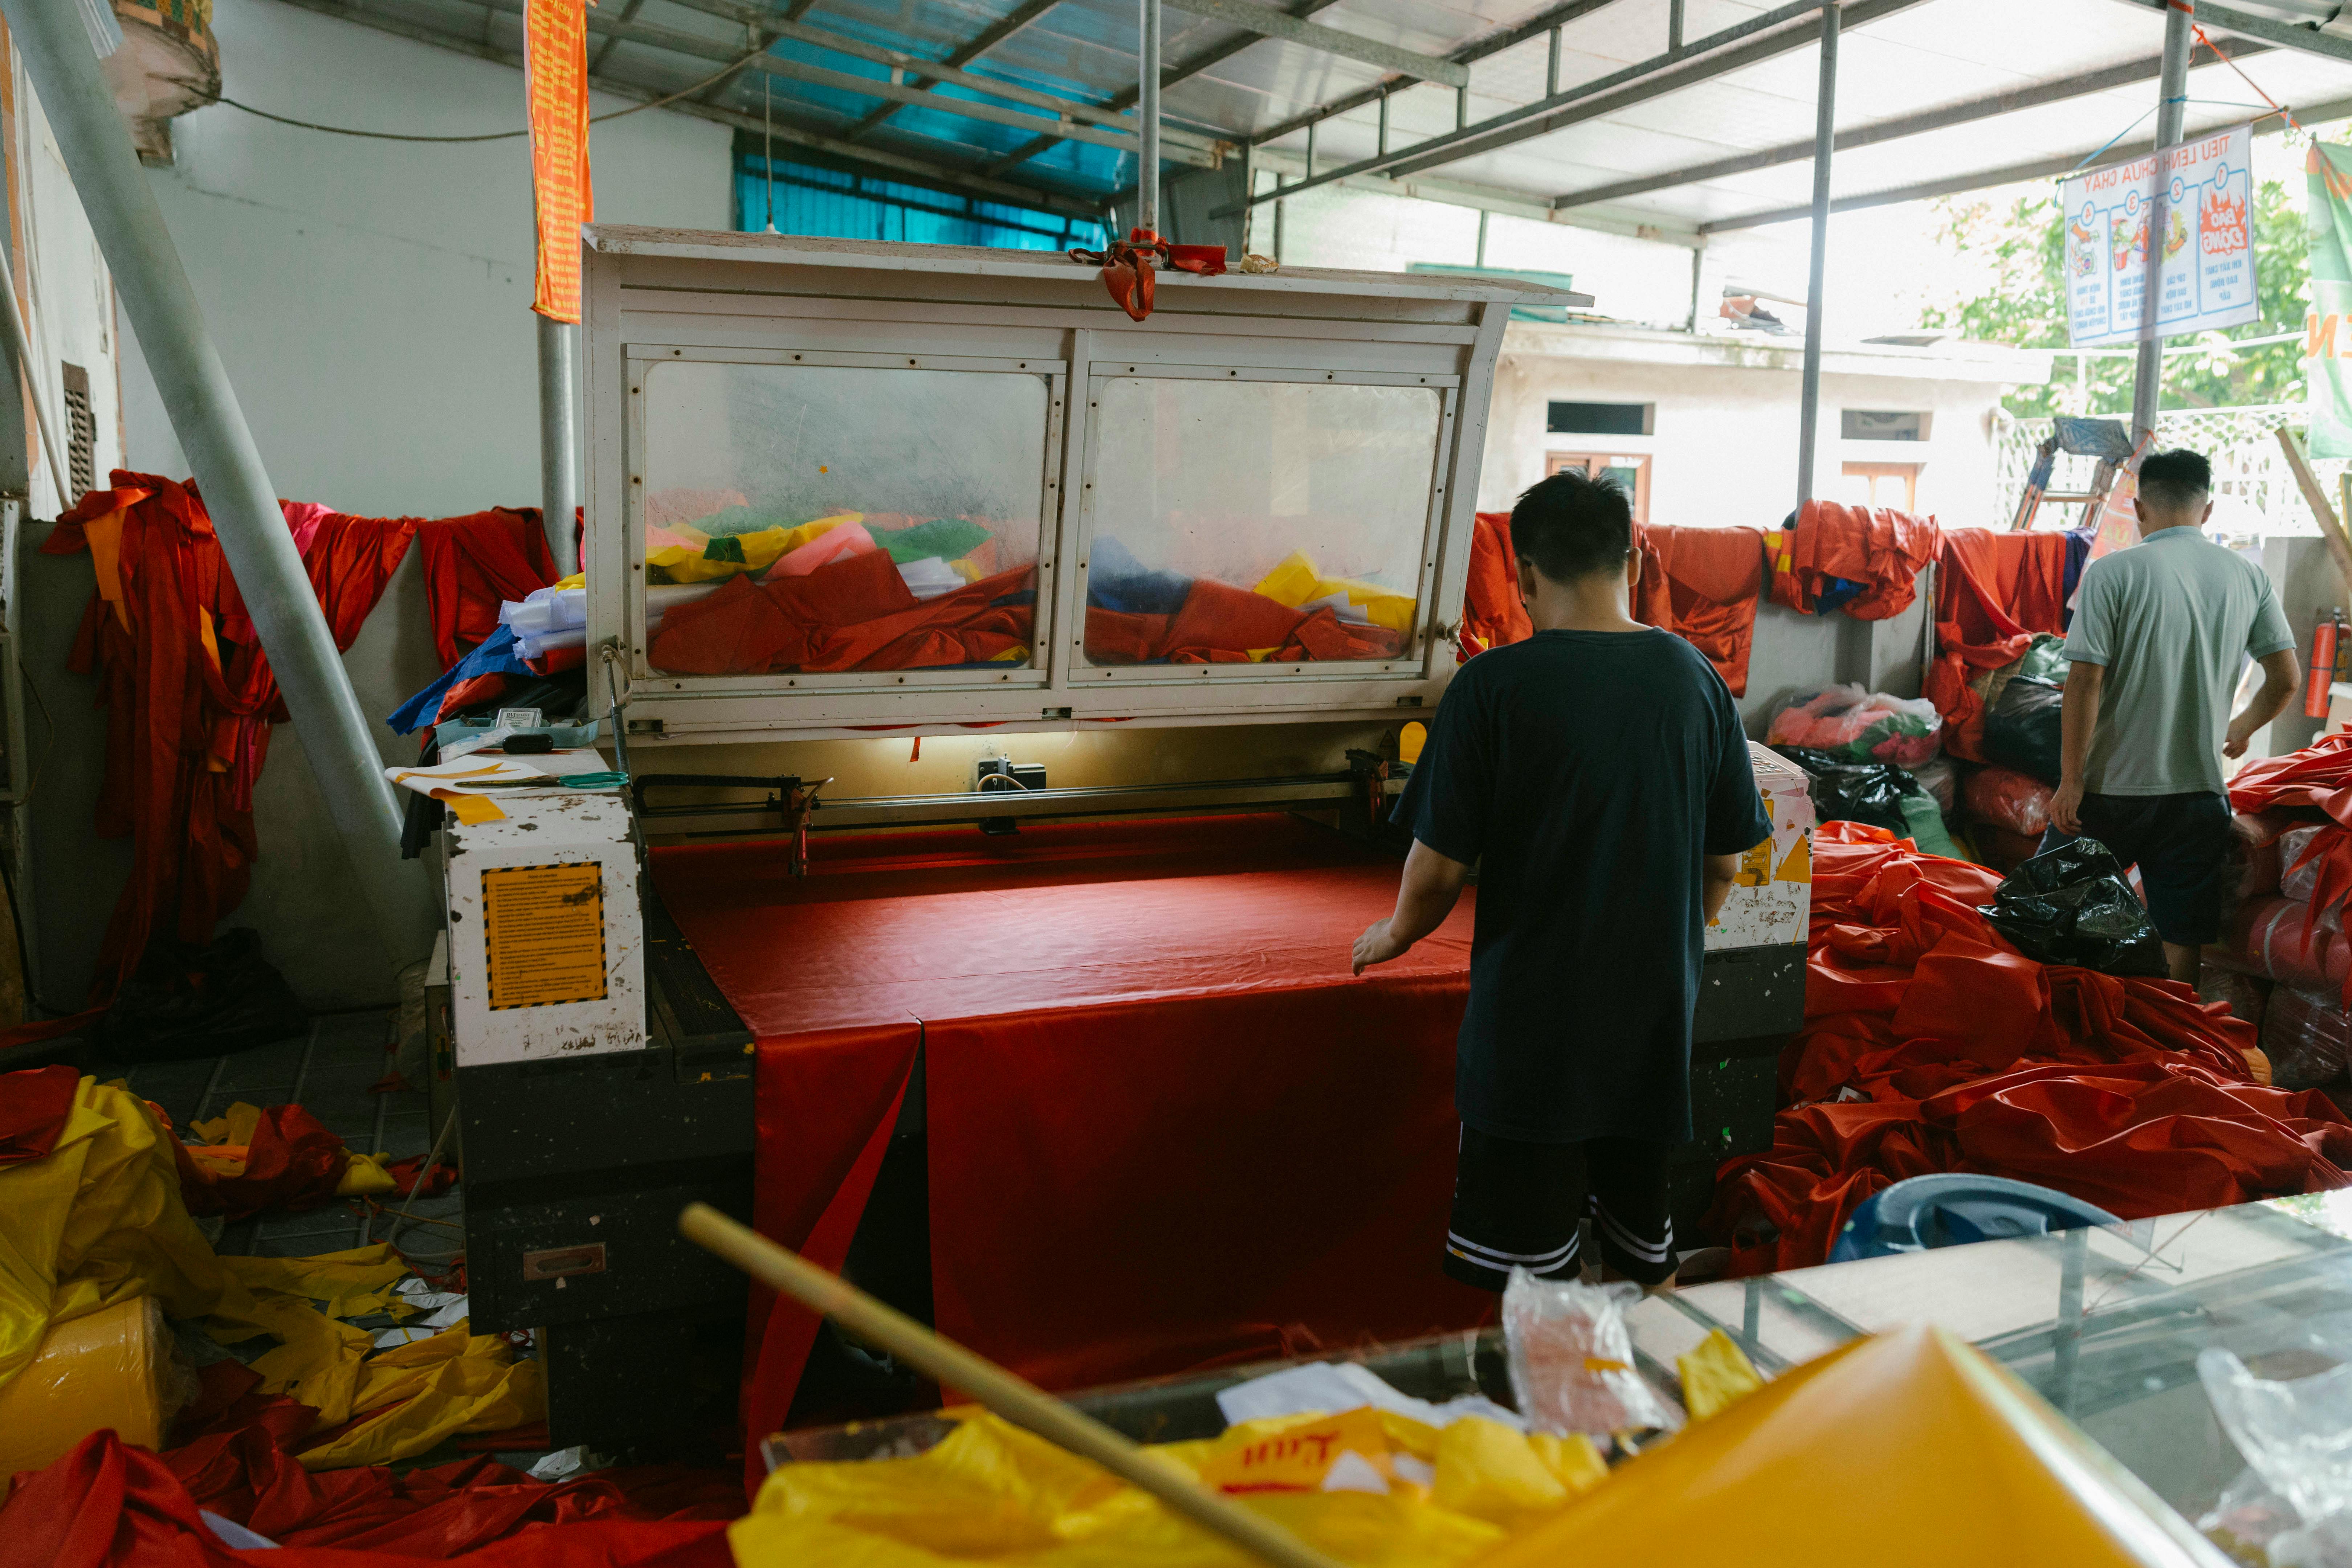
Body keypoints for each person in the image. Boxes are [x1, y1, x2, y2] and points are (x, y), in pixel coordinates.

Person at [1351, 470, 1770, 1294]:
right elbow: (1725, 861)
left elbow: (1437, 869)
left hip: (1533, 1040)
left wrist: (1394, 933)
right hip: (1652, 1027)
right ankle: (1651, 1411)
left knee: (1529, 1278)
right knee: (1643, 1250)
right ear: (1634, 564)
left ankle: (1538, 1419)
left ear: (1525, 576)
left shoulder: (1492, 687)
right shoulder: (1695, 682)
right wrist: (1670, 946)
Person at [2047, 447, 2300, 986]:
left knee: (2053, 916)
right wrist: (2244, 728)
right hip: (2199, 794)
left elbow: (2084, 683)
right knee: (2181, 934)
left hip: (2110, 791)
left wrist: (2071, 782)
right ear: (2206, 512)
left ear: (2139, 509)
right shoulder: (2246, 578)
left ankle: (2067, 1042)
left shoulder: (2114, 573)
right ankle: (2173, 1052)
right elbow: (2286, 678)